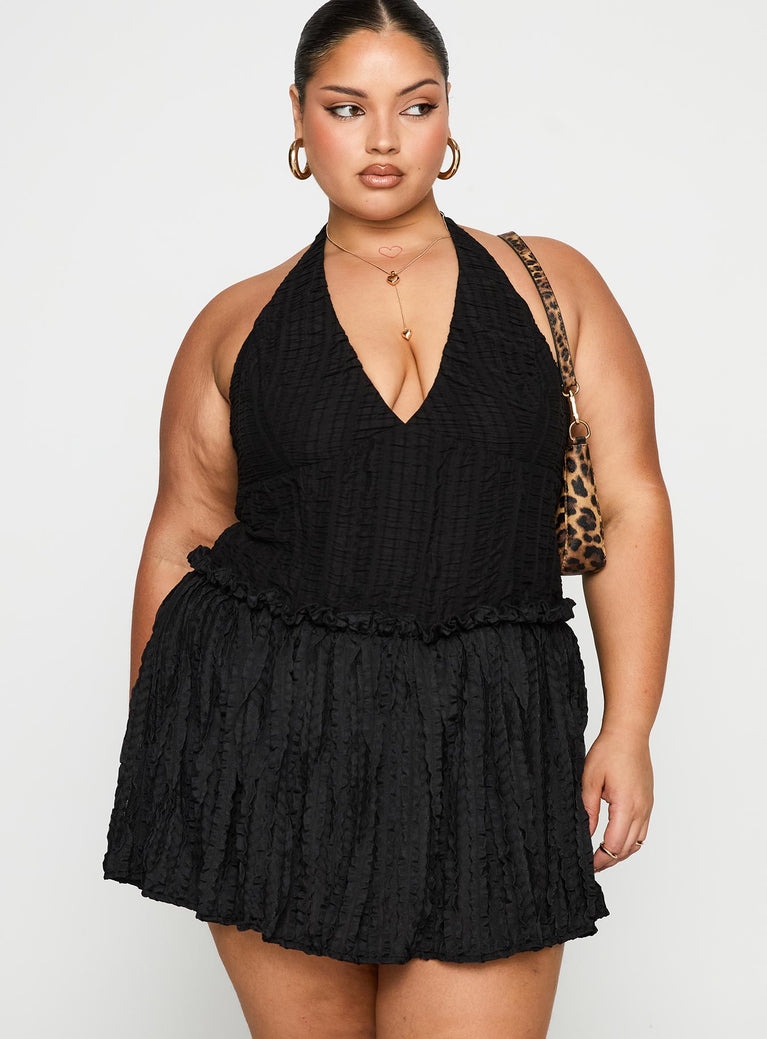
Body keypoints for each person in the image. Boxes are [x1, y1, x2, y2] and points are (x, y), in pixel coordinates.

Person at [102, 1, 674, 1036]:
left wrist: (628, 725)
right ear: (297, 116)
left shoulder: (551, 284)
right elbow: (180, 537)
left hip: (492, 731)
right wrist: (167, 752)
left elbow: (629, 501)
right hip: (273, 731)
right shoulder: (236, 322)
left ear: (447, 117)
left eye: (413, 106)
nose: (380, 138)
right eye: (345, 107)